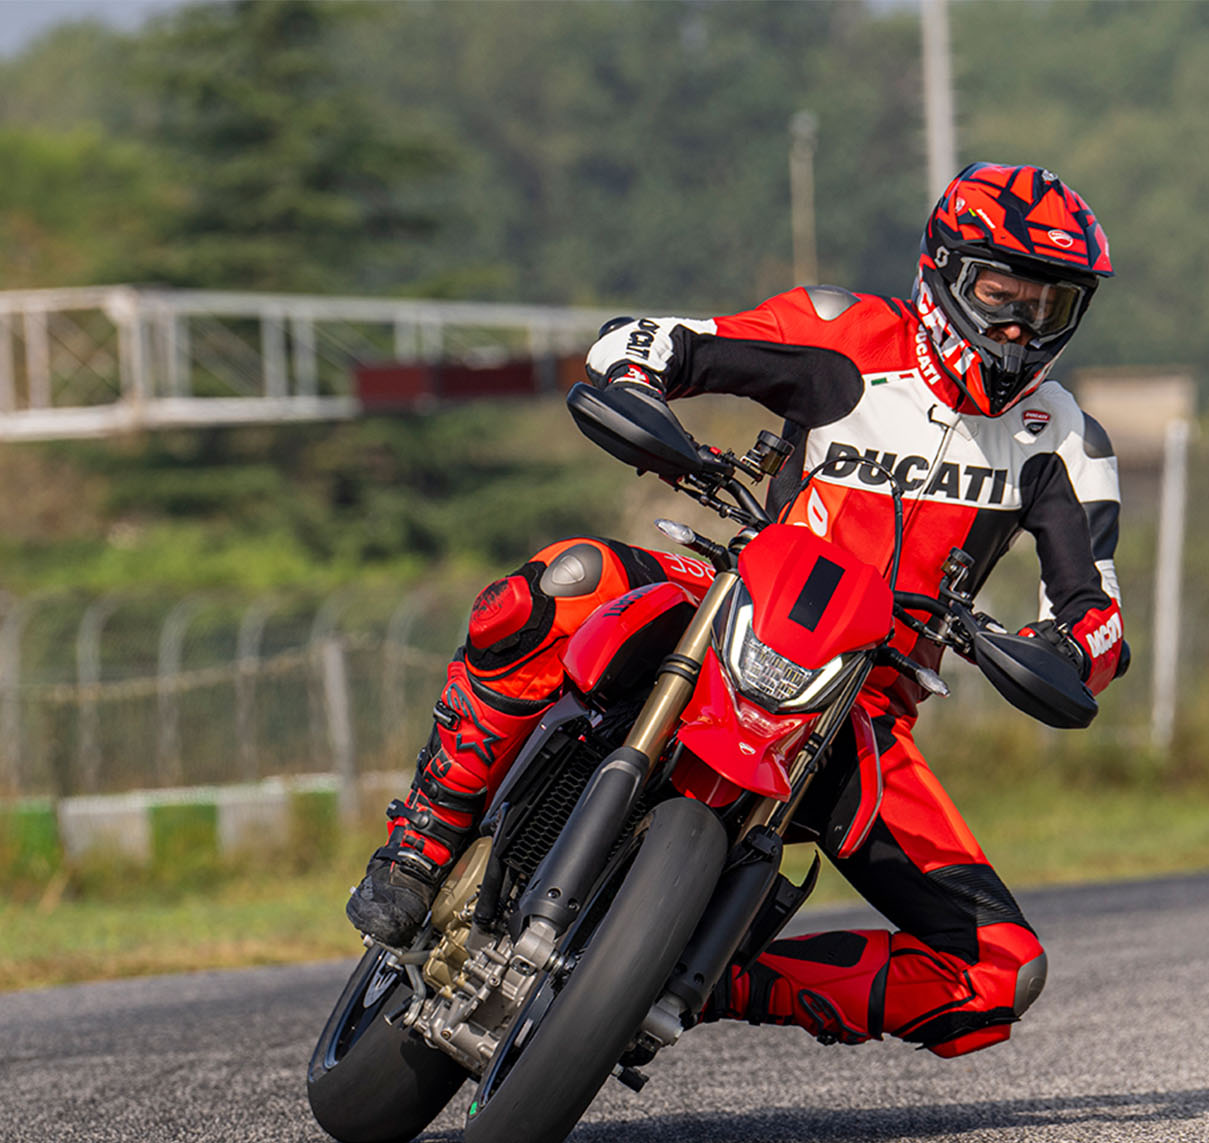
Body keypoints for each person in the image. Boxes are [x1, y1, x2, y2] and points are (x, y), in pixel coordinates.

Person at [347, 162, 1126, 1058]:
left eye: (1052, 304)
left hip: (859, 708)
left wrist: (1063, 648)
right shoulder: (847, 336)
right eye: (1001, 292)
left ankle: (698, 980)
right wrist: (641, 386)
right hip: (726, 607)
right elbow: (654, 341)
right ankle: (419, 844)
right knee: (559, 584)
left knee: (1000, 971)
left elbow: (1096, 610)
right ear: (945, 273)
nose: (1022, 324)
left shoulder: (1064, 436)